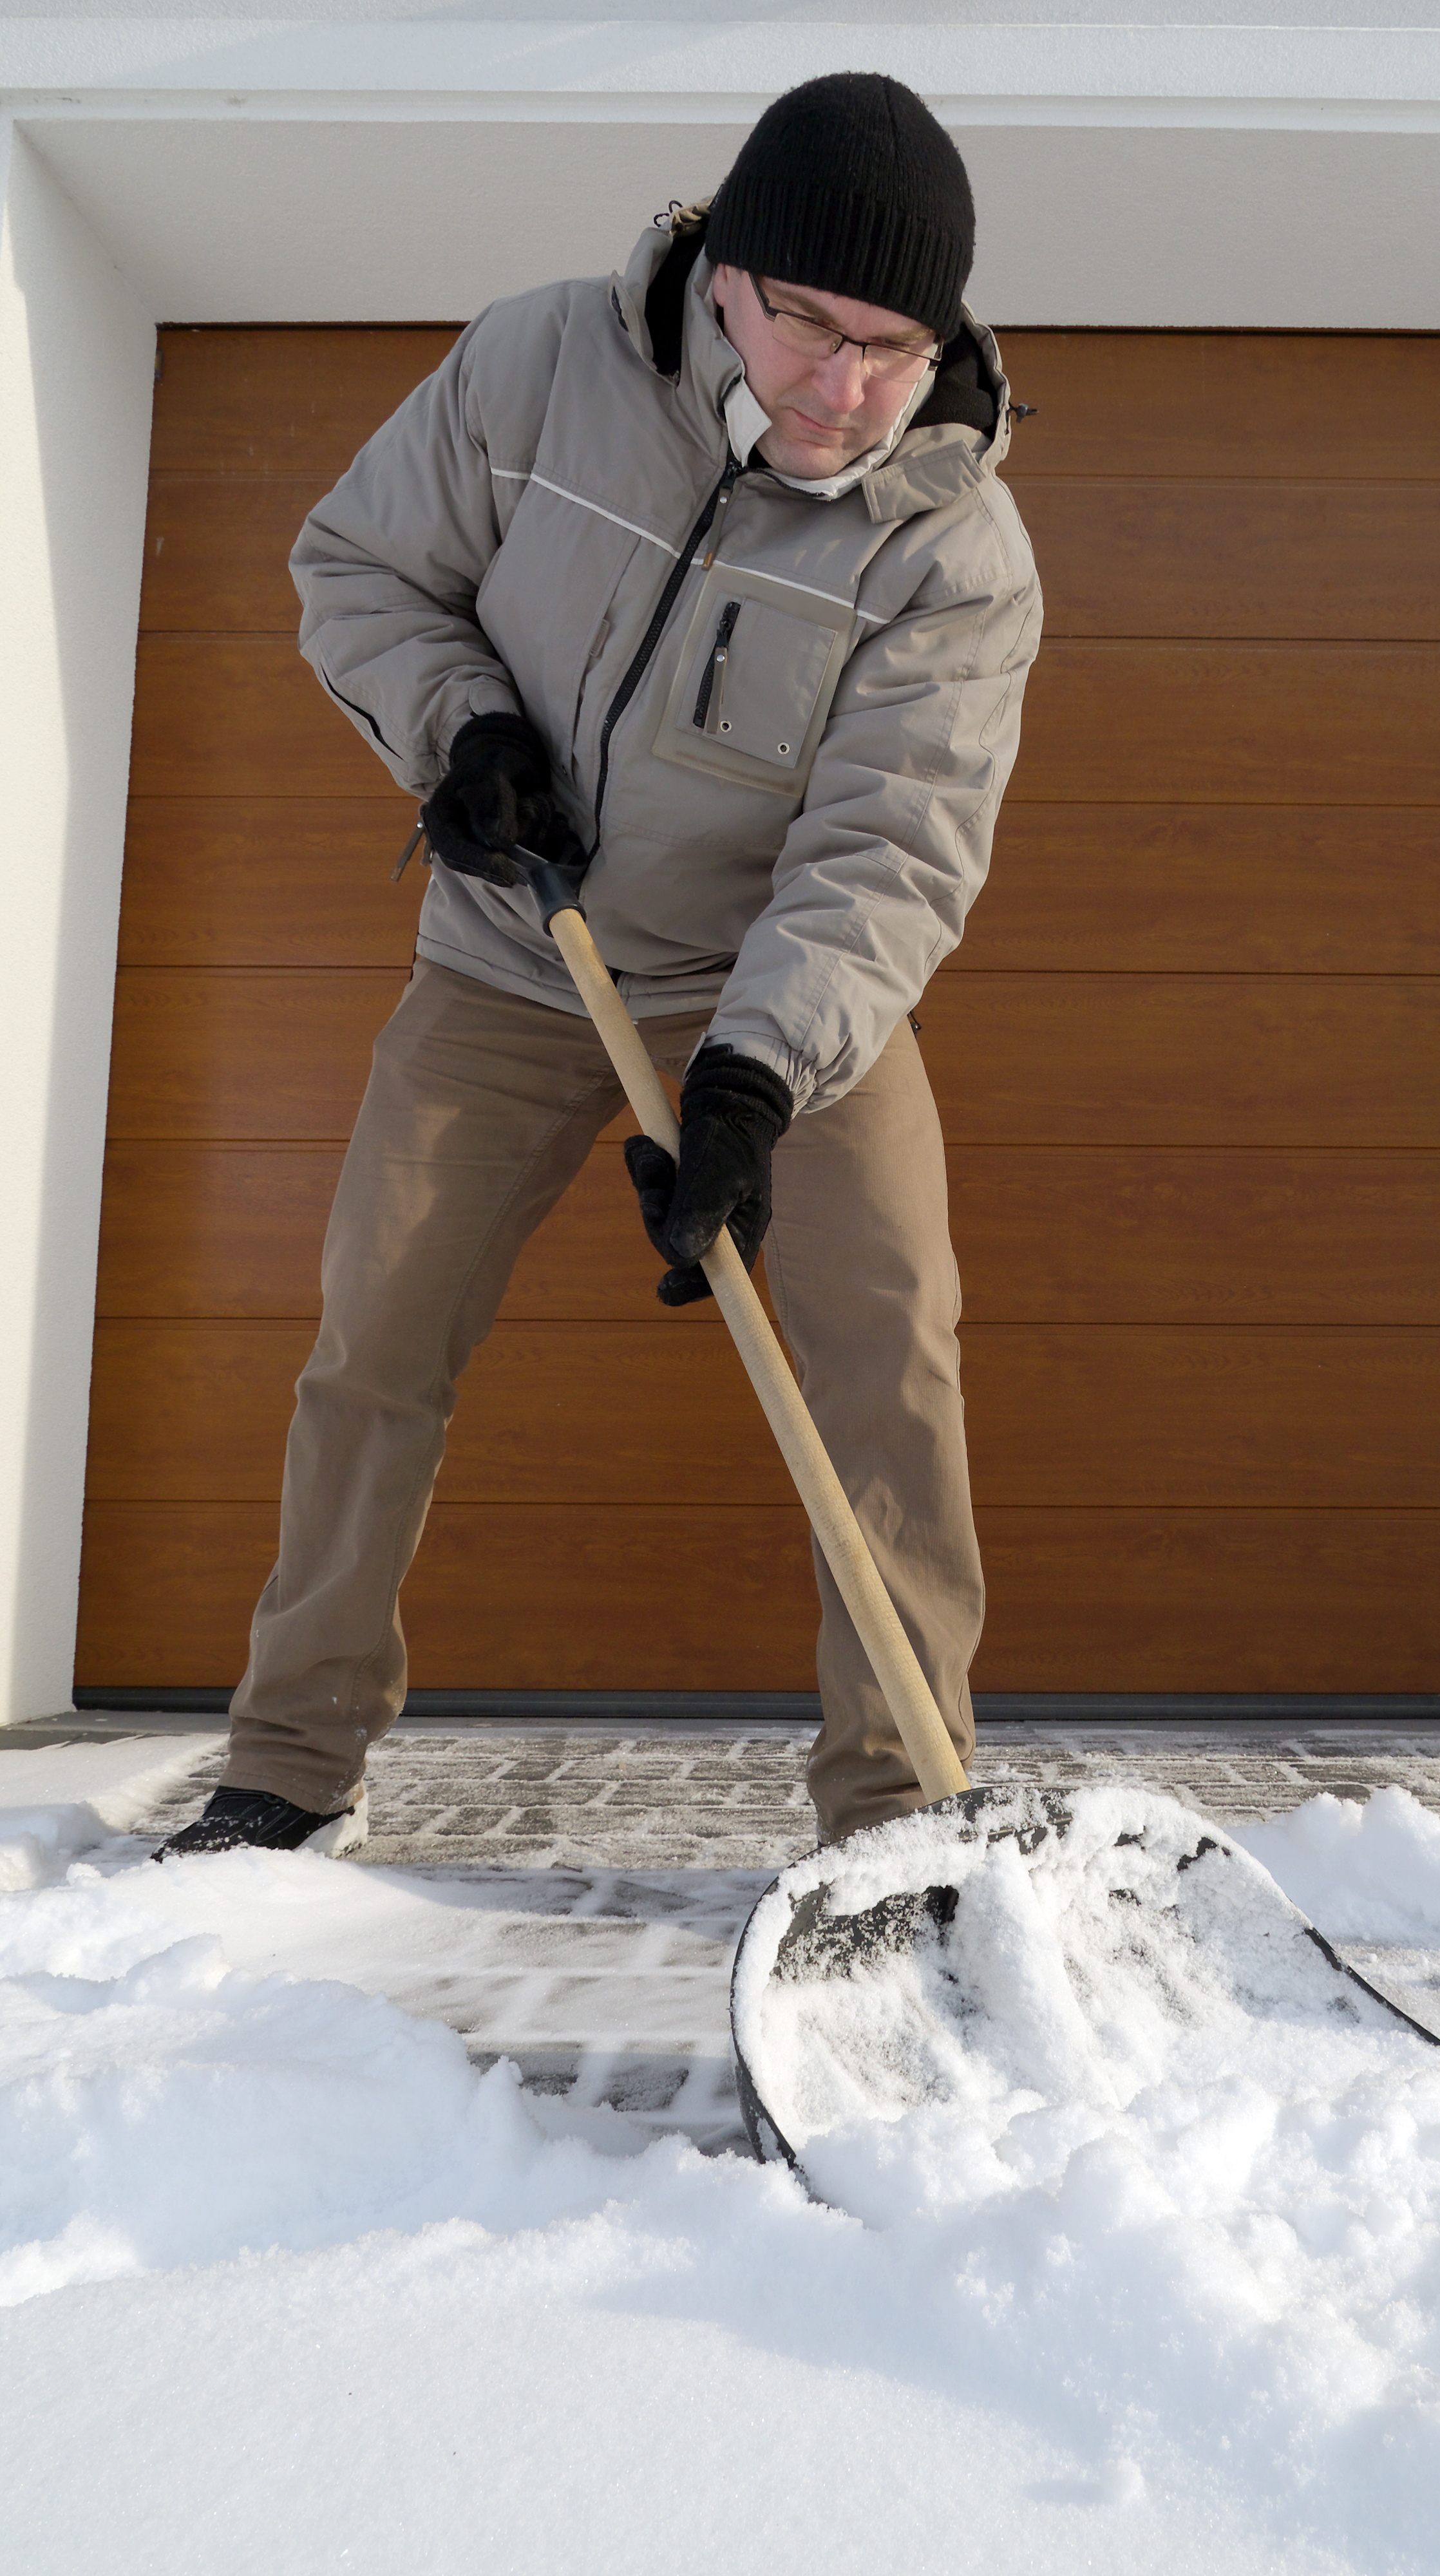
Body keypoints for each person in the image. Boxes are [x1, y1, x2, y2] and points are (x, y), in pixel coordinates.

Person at [158, 71, 1042, 1861]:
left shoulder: (951, 549)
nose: (844, 390)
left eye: (893, 347)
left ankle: (900, 1800)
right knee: (377, 1340)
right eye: (809, 326)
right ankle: (288, 1759)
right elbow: (363, 568)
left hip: (773, 1000)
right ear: (724, 271)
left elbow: (890, 849)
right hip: (508, 962)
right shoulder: (541, 366)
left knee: (893, 1355)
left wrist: (752, 1075)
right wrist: (461, 732)